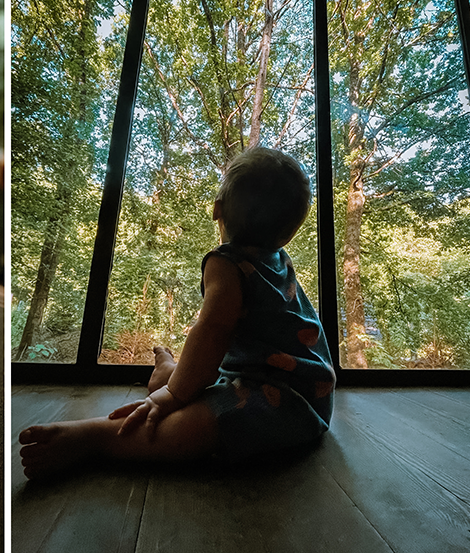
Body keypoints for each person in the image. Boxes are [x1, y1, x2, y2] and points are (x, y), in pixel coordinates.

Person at [19, 147, 336, 479]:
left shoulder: (226, 263)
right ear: (288, 232)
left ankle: (97, 436)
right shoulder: (278, 258)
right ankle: (169, 371)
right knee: (195, 384)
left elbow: (212, 329)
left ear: (217, 210)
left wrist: (172, 396)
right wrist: (177, 390)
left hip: (287, 400)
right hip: (301, 389)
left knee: (194, 425)